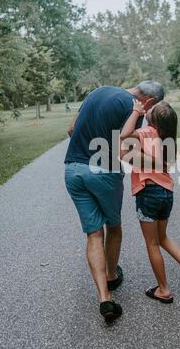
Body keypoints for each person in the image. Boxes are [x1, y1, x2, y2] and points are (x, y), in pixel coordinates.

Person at [64, 81, 164, 322]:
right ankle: (111, 275)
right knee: (114, 227)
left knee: (93, 234)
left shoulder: (97, 91)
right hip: (103, 172)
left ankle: (104, 297)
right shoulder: (134, 108)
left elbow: (71, 129)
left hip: (73, 170)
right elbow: (125, 151)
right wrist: (157, 165)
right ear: (149, 101)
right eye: (152, 109)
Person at [120, 100, 180, 303]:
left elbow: (123, 135)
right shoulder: (169, 142)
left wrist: (135, 111)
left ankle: (163, 289)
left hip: (148, 193)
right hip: (167, 194)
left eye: (151, 111)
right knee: (162, 237)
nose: (147, 112)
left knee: (152, 243)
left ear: (154, 121)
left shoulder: (148, 132)